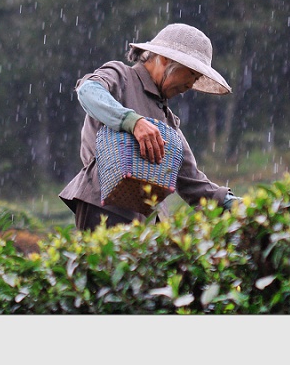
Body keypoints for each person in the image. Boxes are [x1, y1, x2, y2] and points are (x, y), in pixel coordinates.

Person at [59, 23, 243, 230]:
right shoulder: (121, 77)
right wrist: (132, 122)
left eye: (197, 78)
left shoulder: (168, 120)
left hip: (151, 223)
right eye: (191, 73)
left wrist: (235, 205)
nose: (191, 84)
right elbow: (88, 91)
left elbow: (192, 181)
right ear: (165, 59)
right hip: (105, 210)